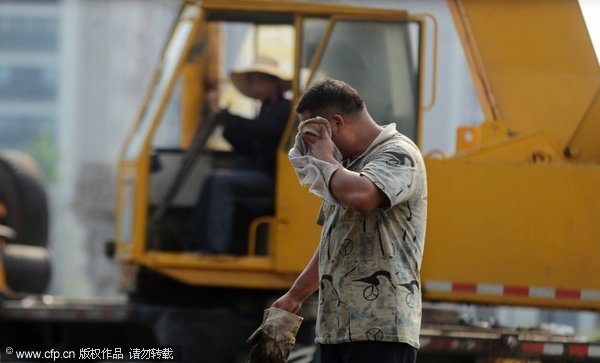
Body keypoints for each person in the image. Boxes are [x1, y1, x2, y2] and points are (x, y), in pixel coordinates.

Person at [272, 79, 427, 363]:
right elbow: (334, 242)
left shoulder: (399, 154)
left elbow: (363, 196)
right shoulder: (348, 168)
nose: (312, 148)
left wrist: (324, 155)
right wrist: (295, 296)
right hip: (336, 329)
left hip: (380, 330)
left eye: (313, 135)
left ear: (336, 124)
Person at [181, 58, 291, 253]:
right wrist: (226, 127)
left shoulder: (284, 109)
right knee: (212, 179)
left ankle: (214, 248)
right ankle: (194, 242)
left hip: (275, 179)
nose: (256, 86)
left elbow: (261, 131)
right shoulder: (266, 110)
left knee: (220, 183)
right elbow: (250, 146)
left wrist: (224, 116)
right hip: (262, 173)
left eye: (261, 81)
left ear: (274, 83)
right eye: (253, 81)